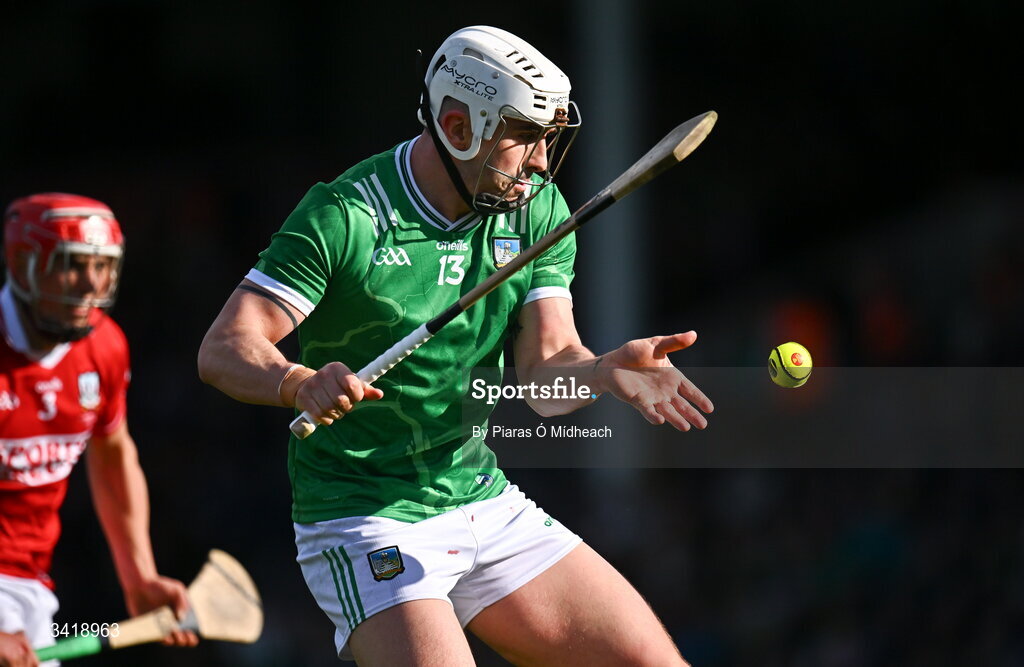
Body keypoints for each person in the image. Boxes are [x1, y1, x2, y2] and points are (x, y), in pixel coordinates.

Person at [198, 25, 713, 666]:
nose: (540, 163)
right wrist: (296, 380)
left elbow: (546, 375)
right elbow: (225, 346)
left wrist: (604, 371)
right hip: (364, 516)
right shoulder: (346, 216)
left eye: (548, 138)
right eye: (523, 136)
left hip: (480, 498)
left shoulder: (536, 211)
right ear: (458, 125)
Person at [0, 193, 197, 666]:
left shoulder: (104, 347)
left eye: (101, 265)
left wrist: (138, 577)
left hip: (31, 584)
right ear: (24, 263)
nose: (90, 284)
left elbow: (112, 454)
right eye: (72, 265)